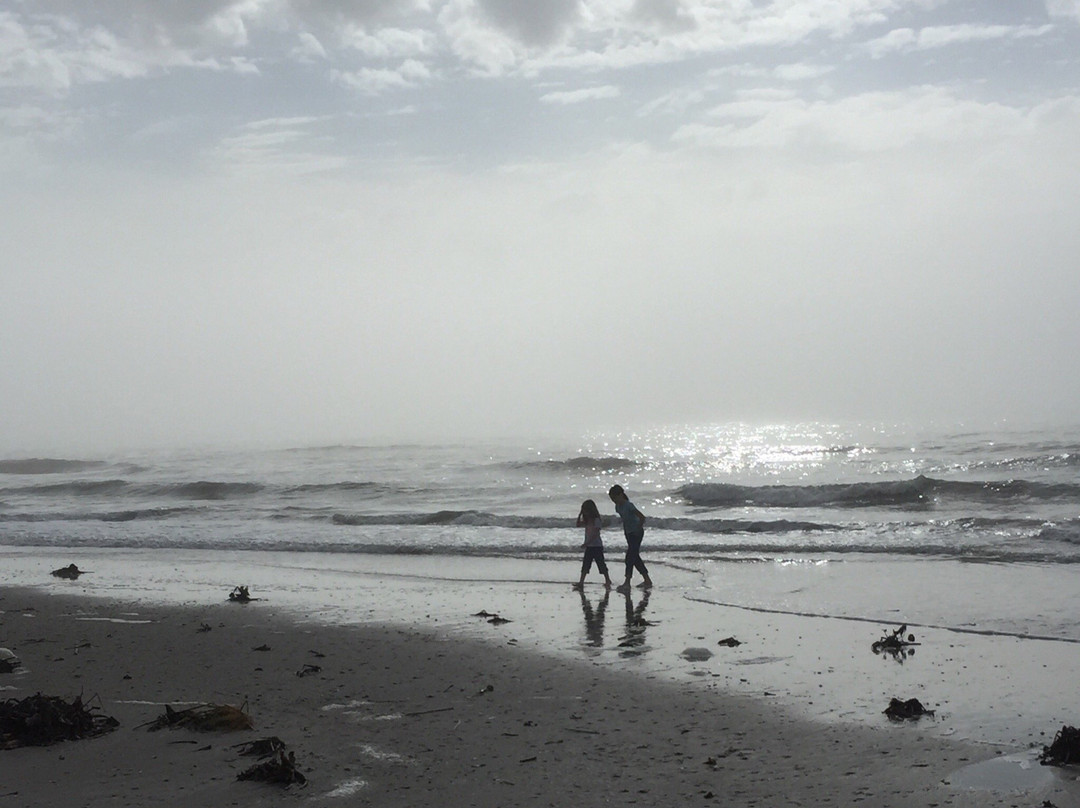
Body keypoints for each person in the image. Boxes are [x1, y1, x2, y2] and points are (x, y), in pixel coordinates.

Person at [609, 484, 652, 593]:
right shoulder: (617, 507)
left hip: (637, 533)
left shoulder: (629, 505)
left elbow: (642, 517)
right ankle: (647, 580)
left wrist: (638, 527)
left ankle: (627, 582)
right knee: (635, 557)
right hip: (628, 533)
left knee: (629, 557)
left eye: (614, 498)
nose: (614, 500)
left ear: (620, 495)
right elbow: (625, 520)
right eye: (612, 499)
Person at [573, 499, 613, 590]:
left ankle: (607, 579)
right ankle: (581, 582)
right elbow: (578, 524)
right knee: (586, 564)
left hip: (596, 546)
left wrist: (587, 543)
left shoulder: (596, 520)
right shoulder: (587, 521)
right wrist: (580, 514)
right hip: (589, 546)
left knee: (601, 563)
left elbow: (596, 534)